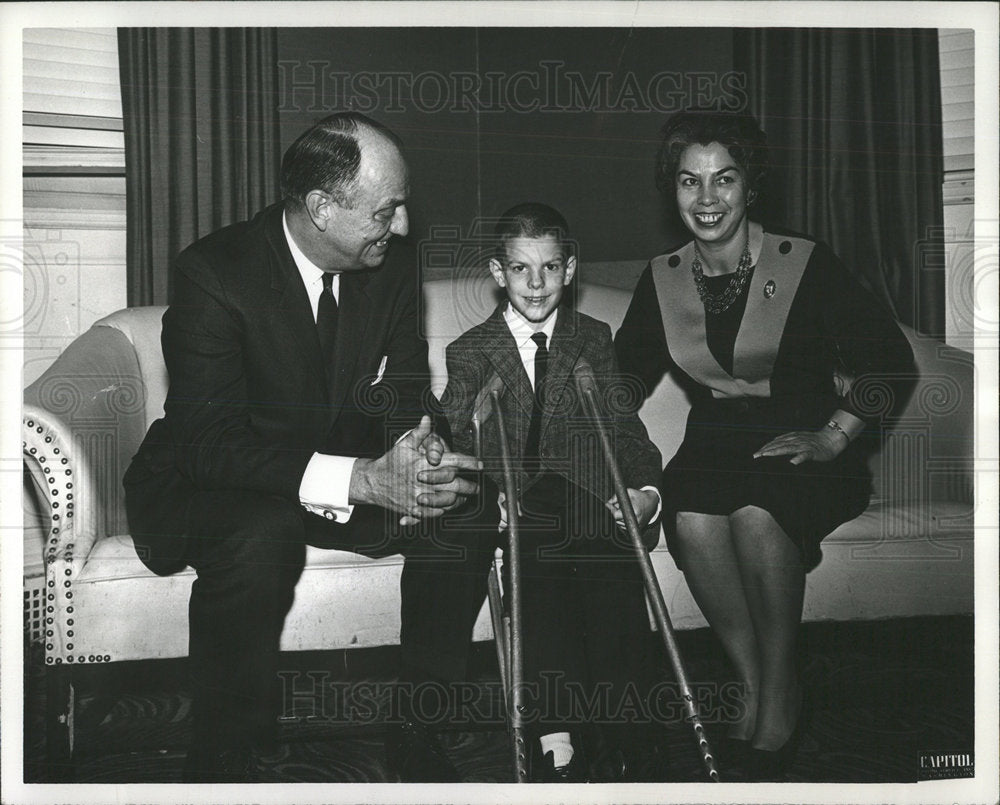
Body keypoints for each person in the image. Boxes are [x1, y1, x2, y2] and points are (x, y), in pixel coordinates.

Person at [122, 112, 494, 783]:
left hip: (324, 471)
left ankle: (418, 728)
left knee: (463, 500)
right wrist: (361, 480)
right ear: (322, 208)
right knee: (262, 532)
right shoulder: (215, 272)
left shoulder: (391, 263)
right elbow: (209, 444)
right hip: (209, 482)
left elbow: (404, 384)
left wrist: (419, 450)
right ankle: (222, 760)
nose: (404, 226)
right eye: (389, 210)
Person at [614, 111, 915, 781]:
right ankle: (753, 678)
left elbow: (890, 360)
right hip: (715, 441)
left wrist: (836, 434)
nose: (708, 198)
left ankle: (784, 686)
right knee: (689, 513)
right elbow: (623, 379)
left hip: (803, 441)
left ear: (752, 187)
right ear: (674, 192)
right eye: (690, 182)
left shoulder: (802, 261)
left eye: (725, 179)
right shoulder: (661, 277)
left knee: (756, 513)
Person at [438, 203, 665, 782]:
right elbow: (460, 437)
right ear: (497, 273)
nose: (535, 284)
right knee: (539, 570)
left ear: (569, 269)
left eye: (549, 268)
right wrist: (488, 486)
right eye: (520, 269)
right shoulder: (469, 350)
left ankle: (624, 734)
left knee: (607, 568)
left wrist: (644, 492)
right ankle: (557, 735)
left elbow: (624, 430)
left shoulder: (592, 338)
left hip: (588, 497)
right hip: (518, 500)